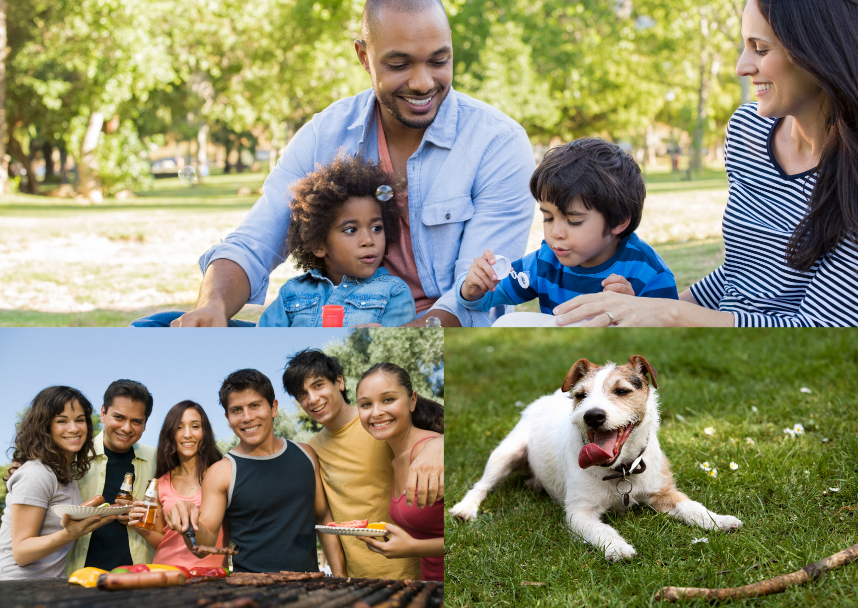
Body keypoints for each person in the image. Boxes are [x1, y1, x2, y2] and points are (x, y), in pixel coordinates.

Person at [131, 0, 535, 328]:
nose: (422, 82)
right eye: (399, 64)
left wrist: (391, 341)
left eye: (438, 60)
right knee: (155, 326)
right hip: (331, 326)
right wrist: (213, 304)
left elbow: (474, 297)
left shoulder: (498, 143)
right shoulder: (325, 134)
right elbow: (254, 243)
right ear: (364, 56)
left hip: (435, 337)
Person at [553, 0, 858, 328]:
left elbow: (823, 328)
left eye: (760, 49)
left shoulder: (851, 174)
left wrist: (670, 314)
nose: (742, 67)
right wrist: (642, 309)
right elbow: (744, 273)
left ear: (817, 52)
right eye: (744, 46)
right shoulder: (747, 131)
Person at [455, 138, 678, 318]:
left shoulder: (649, 274)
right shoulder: (545, 261)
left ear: (618, 221)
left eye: (573, 221)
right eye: (548, 218)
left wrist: (634, 309)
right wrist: (473, 289)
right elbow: (489, 298)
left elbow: (669, 335)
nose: (555, 233)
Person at [163, 369, 345, 575]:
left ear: (273, 407)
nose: (247, 417)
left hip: (310, 586)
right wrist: (188, 523)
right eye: (237, 410)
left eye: (255, 405)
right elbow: (204, 546)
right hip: (250, 588)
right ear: (228, 417)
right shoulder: (221, 472)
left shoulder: (307, 455)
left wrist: (340, 578)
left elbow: (324, 520)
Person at [282, 349, 444, 579]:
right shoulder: (313, 449)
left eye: (318, 385)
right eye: (302, 394)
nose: (313, 399)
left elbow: (424, 433)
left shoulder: (380, 424)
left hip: (413, 574)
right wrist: (340, 576)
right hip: (359, 579)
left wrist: (438, 444)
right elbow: (324, 515)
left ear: (339, 382)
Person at [257, 153, 417, 326]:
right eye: (351, 230)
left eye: (376, 228)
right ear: (318, 244)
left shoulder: (393, 292)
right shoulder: (292, 292)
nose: (368, 240)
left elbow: (394, 342)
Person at [0, 387, 118, 580]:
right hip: (17, 586)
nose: (74, 428)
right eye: (62, 421)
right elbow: (21, 553)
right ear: (44, 426)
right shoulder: (36, 474)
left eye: (79, 420)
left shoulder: (64, 473)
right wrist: (71, 533)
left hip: (48, 585)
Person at [353, 363, 444, 581]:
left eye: (388, 399)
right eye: (366, 404)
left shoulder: (433, 456)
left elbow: (470, 537)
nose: (376, 412)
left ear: (412, 401)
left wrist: (413, 548)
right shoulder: (396, 460)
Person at [65, 380, 158, 573]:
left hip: (140, 577)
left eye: (136, 421)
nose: (126, 428)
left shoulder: (157, 459)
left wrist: (141, 515)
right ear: (103, 413)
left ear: (145, 424)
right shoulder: (72, 456)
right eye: (119, 417)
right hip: (80, 576)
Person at [126, 401, 230, 569]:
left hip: (211, 575)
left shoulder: (222, 475)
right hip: (166, 572)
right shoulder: (160, 484)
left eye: (195, 426)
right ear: (170, 434)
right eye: (179, 427)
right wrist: (140, 527)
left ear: (205, 432)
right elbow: (163, 540)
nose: (187, 434)